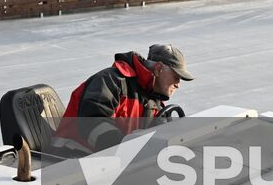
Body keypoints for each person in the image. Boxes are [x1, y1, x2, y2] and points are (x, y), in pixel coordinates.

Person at [55, 44, 194, 153]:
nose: (178, 84)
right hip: (70, 155)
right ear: (158, 69)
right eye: (176, 77)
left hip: (107, 160)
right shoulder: (111, 81)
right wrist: (125, 149)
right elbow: (92, 122)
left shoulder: (154, 101)